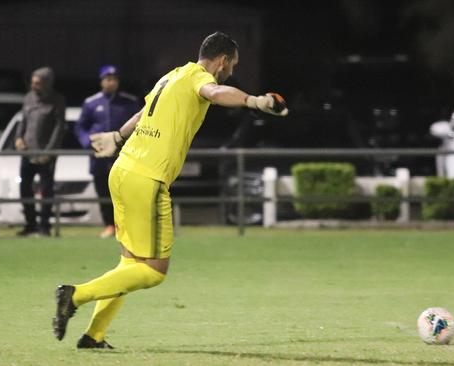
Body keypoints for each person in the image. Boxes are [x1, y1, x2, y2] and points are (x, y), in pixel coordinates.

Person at [52, 31, 287, 349]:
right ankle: (74, 295)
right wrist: (253, 101)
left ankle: (94, 336)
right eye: (233, 64)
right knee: (153, 271)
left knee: (130, 263)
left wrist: (118, 138)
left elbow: (142, 113)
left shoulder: (172, 76)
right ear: (222, 61)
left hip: (123, 170)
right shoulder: (198, 79)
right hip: (146, 179)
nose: (233, 70)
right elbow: (215, 92)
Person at [75, 65, 140, 238]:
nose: (110, 82)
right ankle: (110, 225)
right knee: (103, 191)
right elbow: (80, 127)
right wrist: (88, 142)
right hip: (101, 156)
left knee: (126, 191)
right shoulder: (91, 103)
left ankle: (126, 226)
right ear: (101, 81)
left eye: (114, 79)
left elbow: (141, 124)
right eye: (107, 79)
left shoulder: (129, 102)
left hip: (124, 155)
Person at [15, 67, 66, 237]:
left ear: (47, 83)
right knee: (24, 188)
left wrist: (49, 152)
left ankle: (45, 226)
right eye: (33, 82)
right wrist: (18, 138)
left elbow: (59, 128)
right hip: (28, 153)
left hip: (46, 155)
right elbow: (23, 120)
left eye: (37, 83)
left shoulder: (57, 100)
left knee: (46, 189)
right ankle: (30, 224)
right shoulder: (28, 98)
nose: (33, 85)